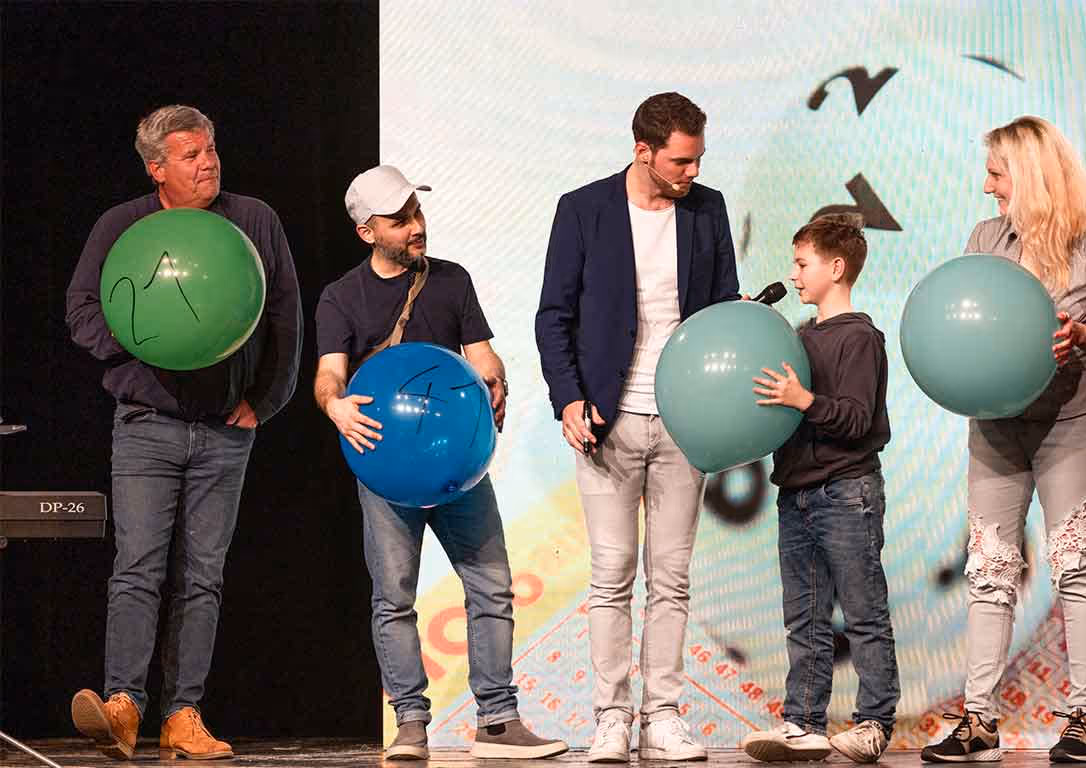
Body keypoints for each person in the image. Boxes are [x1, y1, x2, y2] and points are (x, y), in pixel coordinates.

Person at [65, 104, 302, 760]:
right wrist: (141, 333)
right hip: (146, 426)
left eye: (211, 150)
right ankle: (122, 709)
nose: (208, 163)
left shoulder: (253, 220)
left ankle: (182, 714)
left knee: (203, 574)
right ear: (157, 168)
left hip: (225, 433)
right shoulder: (123, 225)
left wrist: (268, 401)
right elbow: (82, 309)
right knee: (137, 567)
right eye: (191, 155)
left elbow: (285, 316)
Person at [314, 165, 567, 761]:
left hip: (456, 465)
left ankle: (498, 722)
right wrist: (336, 407)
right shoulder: (341, 297)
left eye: (416, 213)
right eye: (398, 219)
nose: (415, 226)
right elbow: (329, 373)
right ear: (366, 231)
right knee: (393, 597)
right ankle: (409, 723)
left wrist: (495, 379)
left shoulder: (451, 281)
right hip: (386, 464)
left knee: (492, 585)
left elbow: (480, 356)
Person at [534, 91, 739, 762]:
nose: (692, 172)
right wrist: (568, 399)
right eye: (681, 160)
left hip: (685, 423)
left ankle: (663, 714)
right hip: (607, 422)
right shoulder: (583, 209)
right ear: (642, 151)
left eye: (698, 159)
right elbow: (553, 316)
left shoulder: (707, 209)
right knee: (613, 572)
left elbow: (722, 316)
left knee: (672, 576)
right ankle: (611, 717)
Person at [920, 116, 1086, 764]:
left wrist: (1084, 339)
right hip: (996, 428)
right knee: (990, 569)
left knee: (1075, 566)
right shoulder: (987, 237)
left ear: (1030, 176)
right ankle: (978, 720)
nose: (987, 188)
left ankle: (1084, 719)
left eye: (997, 174)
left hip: (1068, 424)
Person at [740, 214, 899, 764]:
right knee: (804, 616)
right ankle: (803, 721)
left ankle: (874, 721)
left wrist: (803, 400)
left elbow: (858, 421)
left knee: (862, 610)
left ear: (836, 267)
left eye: (803, 264)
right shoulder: (799, 337)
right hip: (797, 494)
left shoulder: (860, 337)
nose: (795, 274)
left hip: (846, 493)